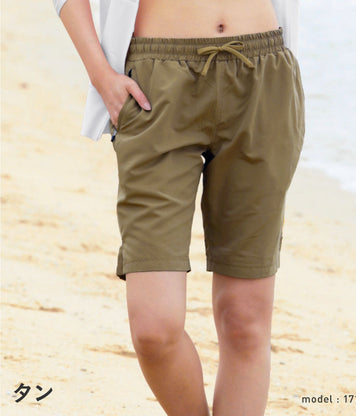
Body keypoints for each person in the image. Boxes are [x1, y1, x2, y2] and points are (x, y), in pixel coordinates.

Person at [53, 0, 305, 414]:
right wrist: (101, 75)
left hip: (262, 74)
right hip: (155, 84)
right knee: (154, 330)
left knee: (245, 322)